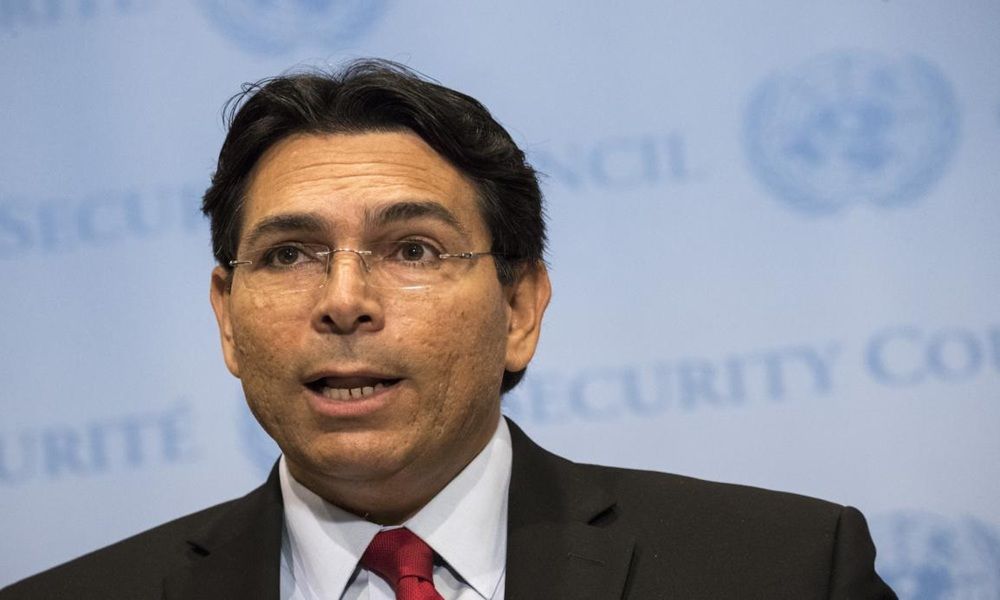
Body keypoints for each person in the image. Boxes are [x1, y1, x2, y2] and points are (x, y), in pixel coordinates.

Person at [0, 59, 896, 599]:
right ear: (226, 319)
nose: (343, 300)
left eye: (413, 250)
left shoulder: (781, 569)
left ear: (520, 309)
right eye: (288, 254)